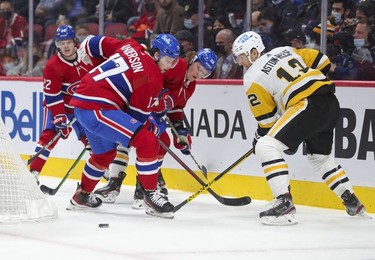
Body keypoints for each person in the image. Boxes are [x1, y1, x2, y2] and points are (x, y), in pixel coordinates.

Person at [232, 31, 367, 225]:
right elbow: (323, 61)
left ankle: (283, 203)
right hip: (329, 101)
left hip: (307, 105)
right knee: (320, 159)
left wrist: (257, 139)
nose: (241, 63)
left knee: (265, 146)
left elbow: (267, 122)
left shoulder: (252, 77)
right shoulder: (284, 50)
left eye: (242, 57)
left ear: (254, 52)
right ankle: (352, 201)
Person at [68, 33, 180, 219]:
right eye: (168, 60)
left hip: (82, 103)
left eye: (174, 62)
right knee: (147, 141)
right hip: (98, 108)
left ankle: (81, 196)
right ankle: (150, 195)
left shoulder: (131, 45)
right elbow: (136, 118)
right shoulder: (151, 77)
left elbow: (91, 42)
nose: (170, 66)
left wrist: (85, 60)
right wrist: (152, 128)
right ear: (157, 54)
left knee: (104, 155)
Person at [94, 48, 218, 209]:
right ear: (193, 60)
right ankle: (114, 184)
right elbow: (149, 77)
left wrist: (180, 131)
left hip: (154, 113)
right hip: (139, 104)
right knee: (126, 141)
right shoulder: (178, 66)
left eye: (205, 73)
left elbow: (176, 108)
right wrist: (151, 102)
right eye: (199, 68)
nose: (200, 74)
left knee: (162, 141)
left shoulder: (190, 86)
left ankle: (143, 189)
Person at [29, 25, 94, 184]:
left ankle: (100, 167)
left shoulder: (86, 57)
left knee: (91, 137)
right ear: (57, 44)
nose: (65, 46)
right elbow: (52, 95)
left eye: (68, 42)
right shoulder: (53, 66)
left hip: (81, 105)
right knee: (50, 136)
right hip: (60, 106)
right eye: (61, 43)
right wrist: (60, 118)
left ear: (74, 42)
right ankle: (34, 171)